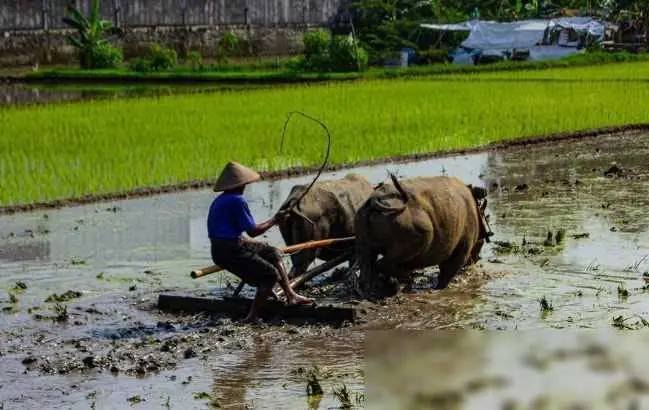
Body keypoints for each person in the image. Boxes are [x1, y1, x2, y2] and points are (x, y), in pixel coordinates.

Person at [208, 161, 313, 322]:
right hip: (229, 251)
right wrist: (275, 220)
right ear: (241, 184)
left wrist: (249, 242)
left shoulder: (221, 200)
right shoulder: (237, 201)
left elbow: (231, 231)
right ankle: (252, 316)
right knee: (270, 275)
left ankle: (291, 295)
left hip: (226, 245)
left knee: (272, 252)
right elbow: (253, 231)